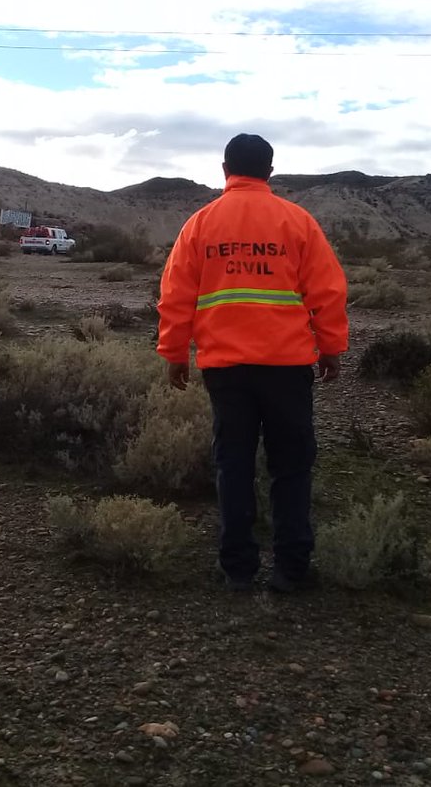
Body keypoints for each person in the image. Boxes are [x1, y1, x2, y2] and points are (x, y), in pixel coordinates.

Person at [157, 134, 349, 593]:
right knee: (291, 466)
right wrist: (331, 348)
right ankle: (291, 570)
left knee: (234, 464)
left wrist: (175, 352)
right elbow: (327, 291)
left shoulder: (201, 224)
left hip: (226, 368)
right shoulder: (298, 221)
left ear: (225, 170)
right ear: (270, 171)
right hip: (288, 367)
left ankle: (238, 570)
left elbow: (176, 294)